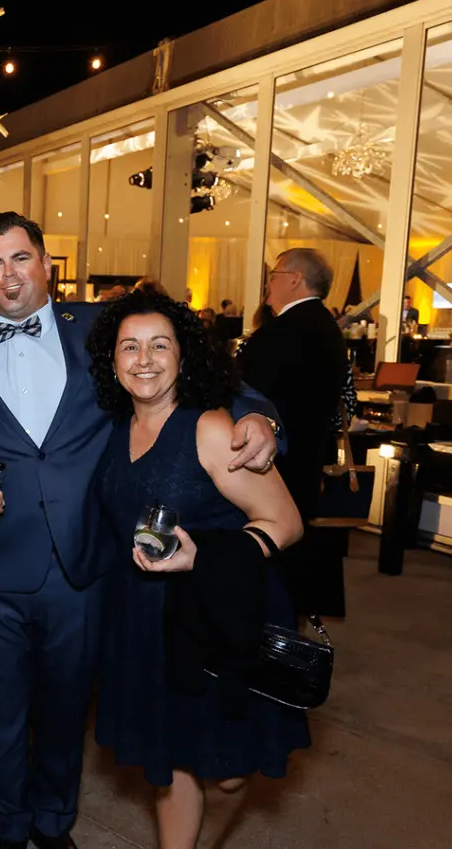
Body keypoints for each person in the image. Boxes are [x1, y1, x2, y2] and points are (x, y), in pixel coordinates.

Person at [0, 212, 279, 849]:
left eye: (21, 259)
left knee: (69, 708)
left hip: (85, 562)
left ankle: (53, 823)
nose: (9, 275)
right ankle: (10, 829)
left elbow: (213, 375)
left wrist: (260, 419)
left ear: (46, 264)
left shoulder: (106, 329)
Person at [87, 289, 309, 849]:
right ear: (112, 362)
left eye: (160, 346)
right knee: (173, 761)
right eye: (130, 347)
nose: (145, 359)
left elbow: (284, 522)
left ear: (183, 357)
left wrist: (203, 556)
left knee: (230, 770)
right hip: (146, 622)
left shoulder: (209, 428)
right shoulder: (115, 431)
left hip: (219, 619)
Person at [238, 249, 349, 617]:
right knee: (291, 551)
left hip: (270, 465)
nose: (269, 283)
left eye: (274, 274)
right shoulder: (327, 327)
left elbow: (243, 393)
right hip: (306, 460)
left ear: (295, 279)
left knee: (265, 556)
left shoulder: (283, 332)